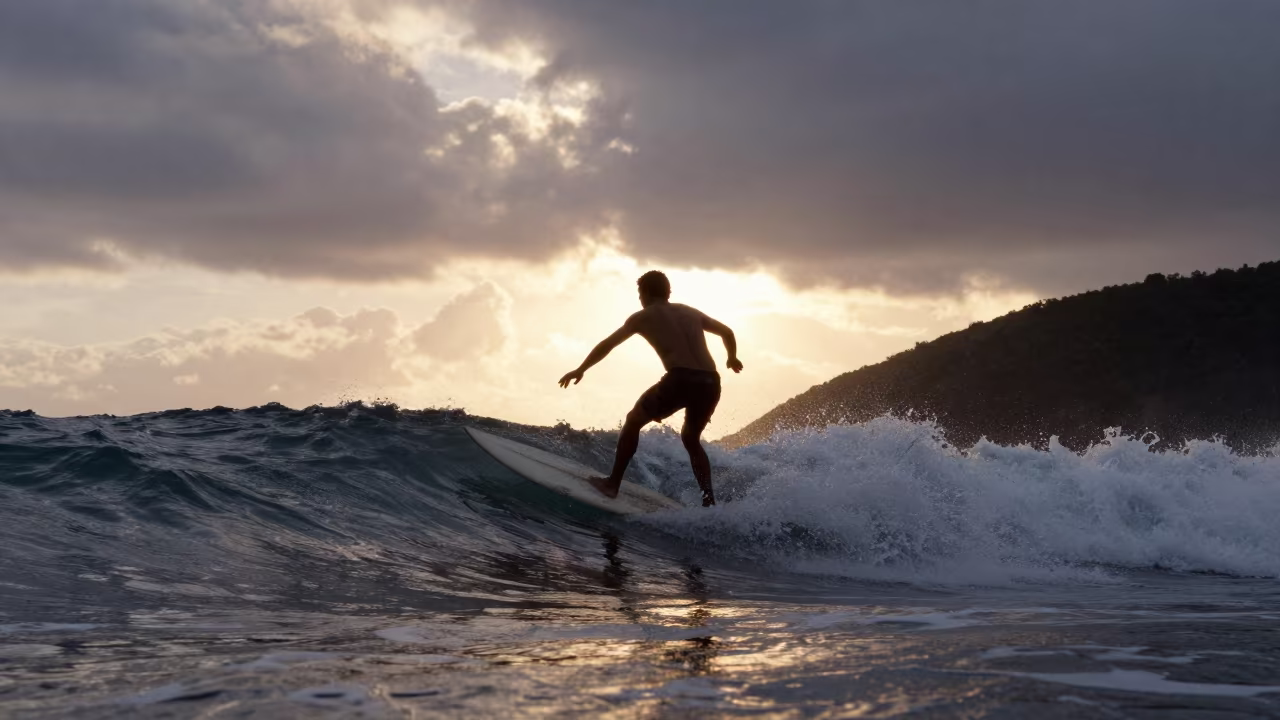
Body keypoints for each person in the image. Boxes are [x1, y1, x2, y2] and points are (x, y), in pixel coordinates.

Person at [558, 271, 743, 506]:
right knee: (691, 438)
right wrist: (732, 358)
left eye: (639, 293)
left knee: (633, 420)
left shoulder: (642, 317)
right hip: (710, 381)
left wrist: (581, 369)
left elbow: (608, 344)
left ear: (644, 293)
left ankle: (612, 484)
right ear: (668, 292)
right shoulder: (690, 311)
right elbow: (727, 332)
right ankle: (709, 501)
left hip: (680, 379)